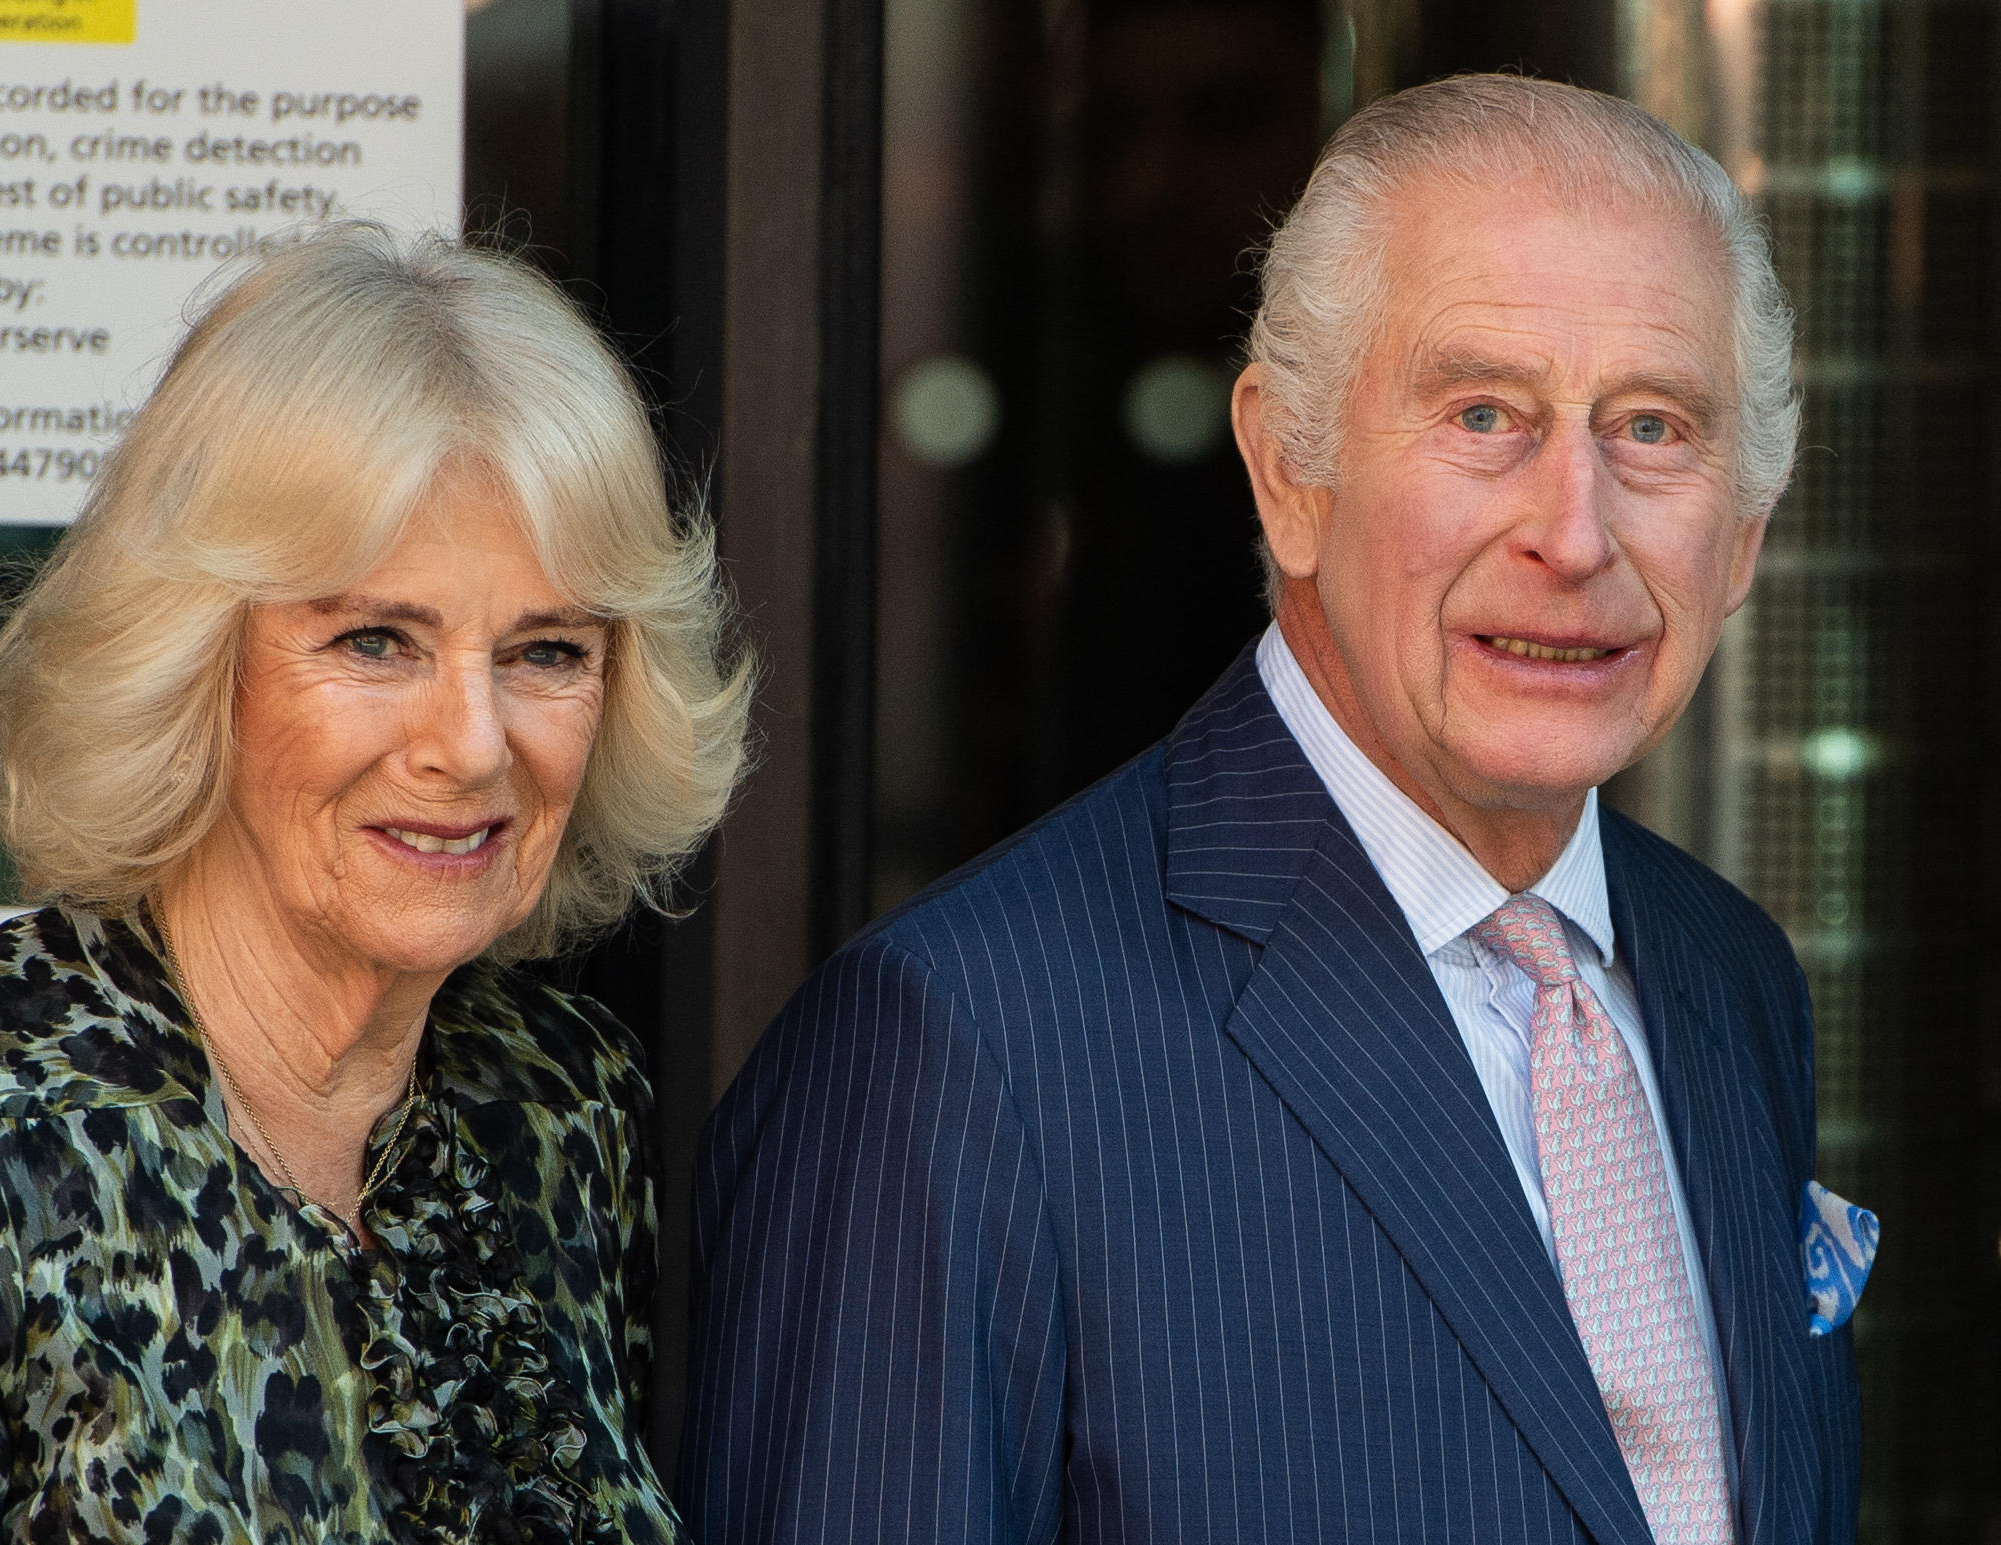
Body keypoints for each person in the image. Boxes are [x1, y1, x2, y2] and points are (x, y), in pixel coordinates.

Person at [681, 76, 1875, 1545]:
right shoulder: (955, 1049)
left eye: (1651, 427)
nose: (1574, 532)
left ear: (1745, 528)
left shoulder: (1730, 976)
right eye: (1482, 414)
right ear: (1288, 469)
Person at [0, 224, 749, 1543]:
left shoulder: (562, 1102)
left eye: (547, 652)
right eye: (378, 640)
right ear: (196, 662)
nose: (472, 743)